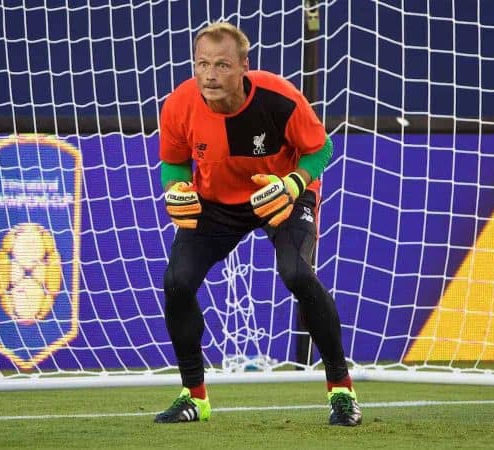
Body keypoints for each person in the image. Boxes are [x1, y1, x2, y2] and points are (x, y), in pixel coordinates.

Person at [155, 22, 362, 427]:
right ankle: (193, 397)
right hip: (216, 203)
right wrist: (175, 186)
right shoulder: (180, 104)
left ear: (243, 67)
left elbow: (321, 148)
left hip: (281, 193)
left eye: (221, 64)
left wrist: (295, 182)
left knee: (298, 274)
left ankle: (341, 390)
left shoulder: (279, 98)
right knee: (177, 281)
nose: (210, 75)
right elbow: (174, 161)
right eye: (202, 64)